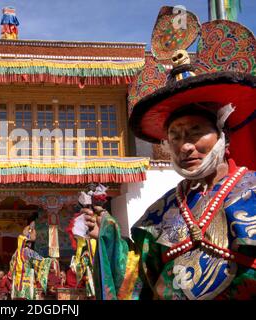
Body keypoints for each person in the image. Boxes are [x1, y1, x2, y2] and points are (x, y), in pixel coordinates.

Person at [85, 7, 256, 300]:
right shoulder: (159, 213)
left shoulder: (252, 191)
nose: (185, 146)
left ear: (222, 135)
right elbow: (136, 281)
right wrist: (108, 235)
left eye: (195, 133)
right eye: (174, 137)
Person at [9, 221, 54, 300]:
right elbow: (40, 261)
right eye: (30, 243)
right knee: (27, 296)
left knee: (18, 297)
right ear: (28, 243)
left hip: (17, 279)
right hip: (27, 276)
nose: (30, 245)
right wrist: (51, 261)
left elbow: (11, 265)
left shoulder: (15, 253)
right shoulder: (29, 252)